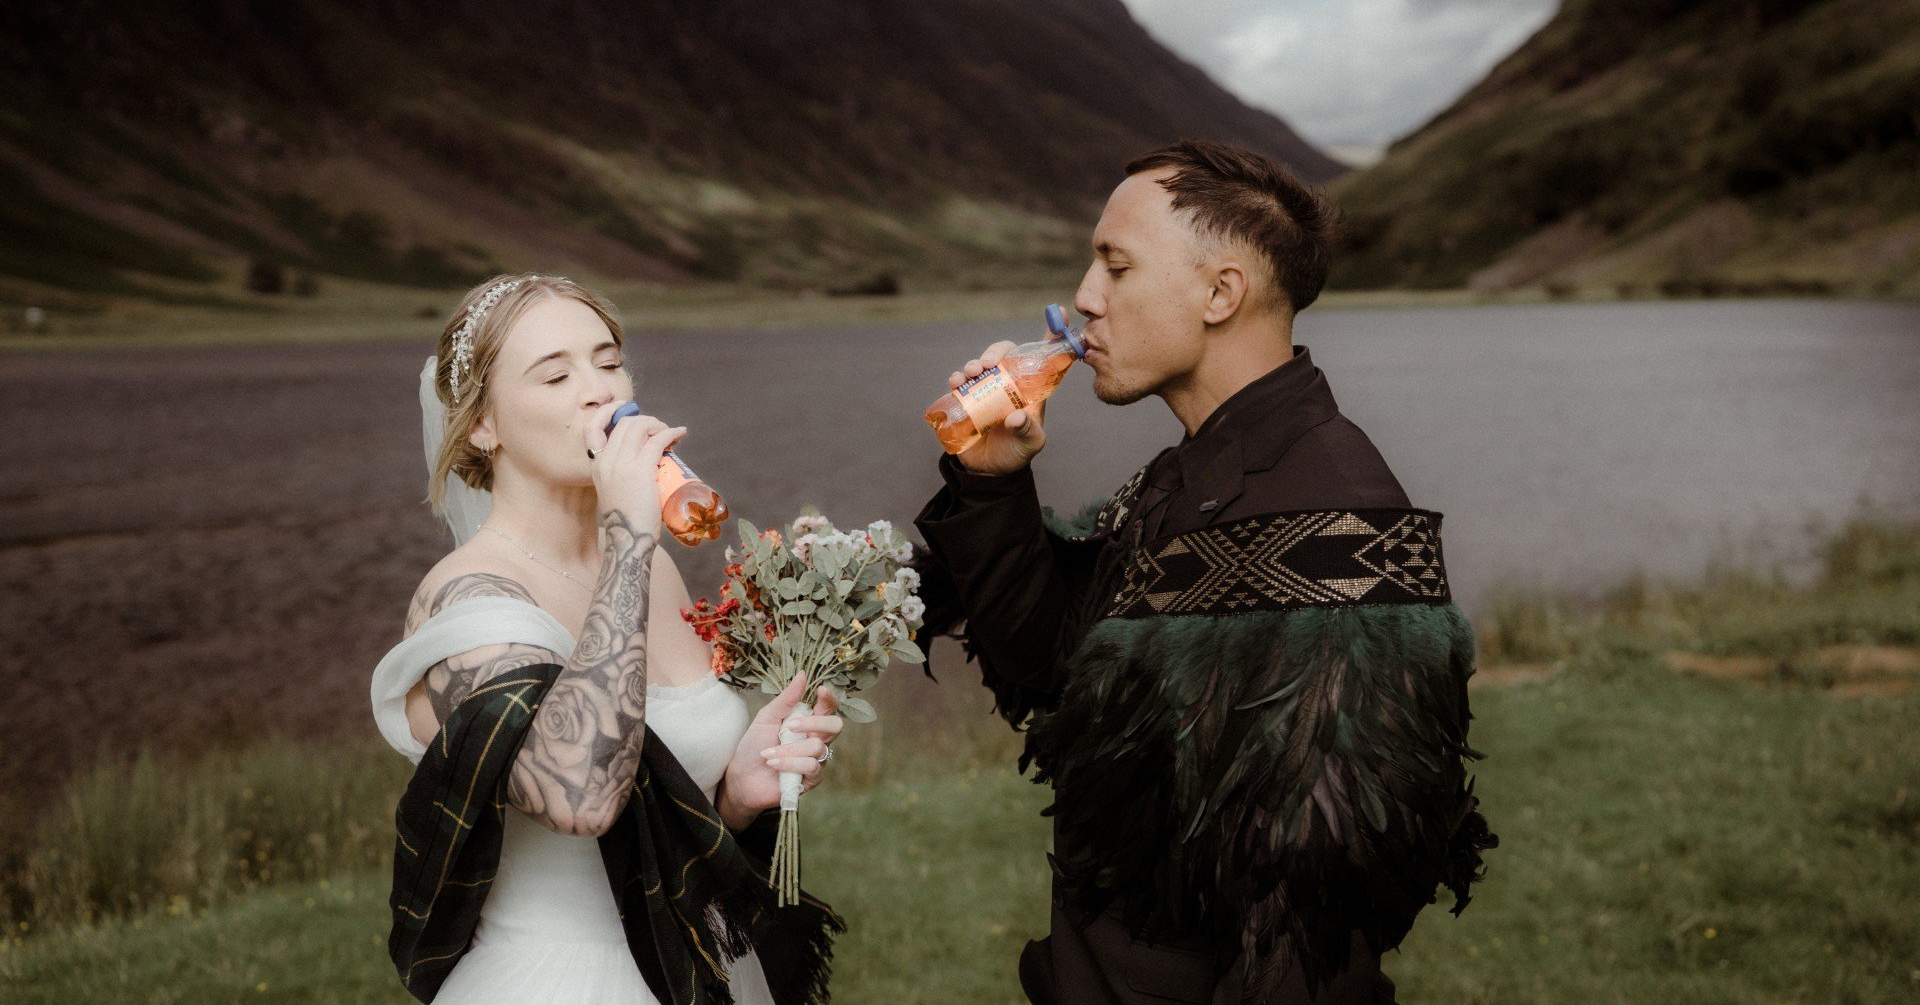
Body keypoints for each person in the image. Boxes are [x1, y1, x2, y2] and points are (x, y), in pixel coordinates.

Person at [914, 141, 1495, 1004]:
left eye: (1116, 265)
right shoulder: (1193, 472)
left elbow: (1305, 944)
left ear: (1222, 293)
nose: (1083, 297)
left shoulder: (1334, 537)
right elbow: (1050, 674)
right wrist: (993, 480)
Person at [371, 273, 844, 1005]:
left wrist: (736, 797)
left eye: (608, 360)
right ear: (481, 426)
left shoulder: (650, 567)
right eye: (555, 374)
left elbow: (646, 803)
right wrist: (627, 532)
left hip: (694, 964)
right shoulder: (466, 598)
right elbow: (580, 799)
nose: (598, 390)